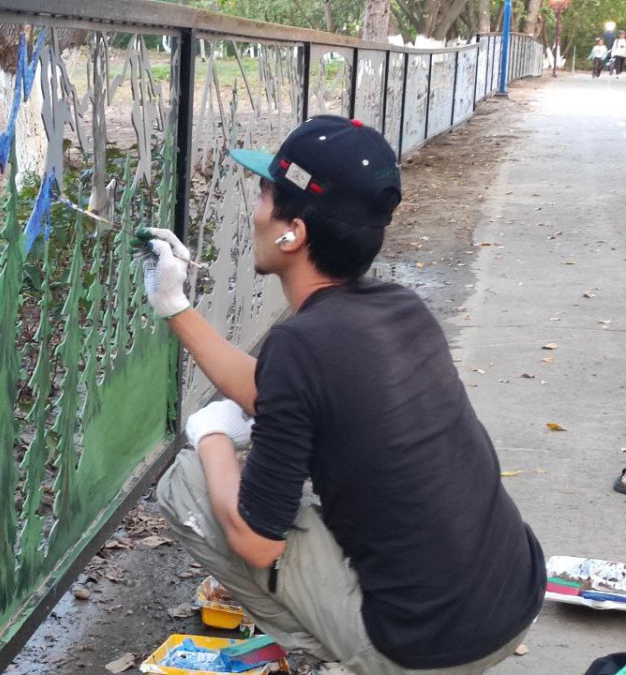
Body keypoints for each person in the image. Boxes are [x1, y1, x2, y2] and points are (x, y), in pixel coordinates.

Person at [138, 115, 545, 674]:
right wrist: (175, 307)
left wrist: (210, 437)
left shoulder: (301, 346)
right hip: (510, 596)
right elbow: (276, 391)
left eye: (264, 195)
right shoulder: (399, 309)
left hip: (427, 648)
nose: (255, 211)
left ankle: (349, 657)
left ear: (293, 233)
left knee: (188, 482)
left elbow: (257, 543)